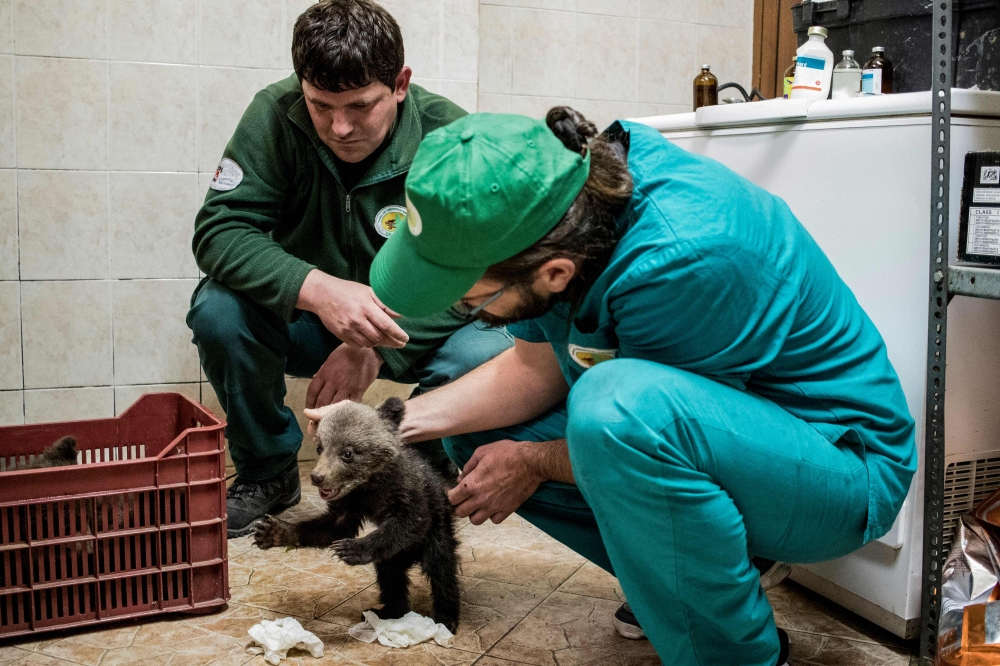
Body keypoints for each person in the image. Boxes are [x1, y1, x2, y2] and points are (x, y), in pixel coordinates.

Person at [307, 108, 917, 665]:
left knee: (613, 408)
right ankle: (717, 577)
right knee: (480, 436)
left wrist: (539, 461)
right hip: (728, 443)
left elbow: (645, 429)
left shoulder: (685, 257)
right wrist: (382, 429)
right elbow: (534, 368)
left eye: (472, 298)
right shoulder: (562, 206)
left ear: (553, 273)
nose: (467, 309)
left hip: (837, 468)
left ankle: (740, 655)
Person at [186, 0, 512, 538]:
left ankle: (421, 464)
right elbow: (219, 230)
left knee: (494, 350)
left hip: (423, 327)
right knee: (219, 310)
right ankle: (268, 474)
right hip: (319, 323)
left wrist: (373, 345)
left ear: (401, 84)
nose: (339, 128)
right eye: (320, 106)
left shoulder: (449, 136)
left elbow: (487, 272)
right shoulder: (273, 113)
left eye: (361, 106)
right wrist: (317, 290)